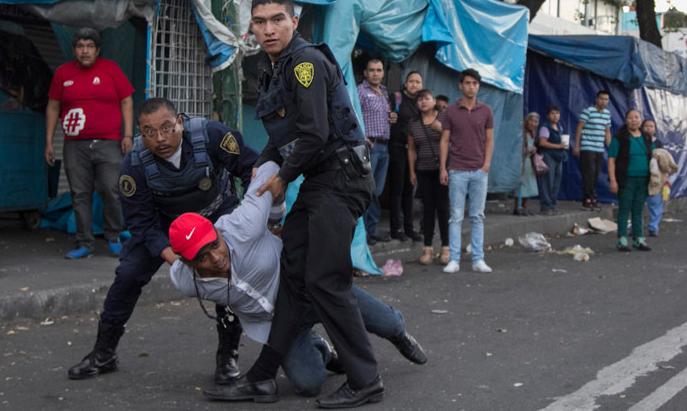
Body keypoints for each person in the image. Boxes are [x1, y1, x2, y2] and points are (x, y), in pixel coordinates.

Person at [207, 0, 382, 408]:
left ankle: (366, 379)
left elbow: (315, 134)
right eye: (260, 22)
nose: (268, 29)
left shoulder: (304, 62)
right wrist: (264, 163)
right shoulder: (273, 67)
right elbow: (282, 135)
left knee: (326, 280)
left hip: (340, 180)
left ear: (293, 22)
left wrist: (283, 176)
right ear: (251, 27)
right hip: (322, 178)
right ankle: (263, 376)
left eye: (277, 20)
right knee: (294, 272)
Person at [169, 162, 426, 400]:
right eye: (203, 257)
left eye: (215, 245)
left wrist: (277, 192)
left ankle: (400, 333)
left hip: (310, 288)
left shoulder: (242, 226)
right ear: (188, 262)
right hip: (279, 324)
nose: (216, 258)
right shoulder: (186, 280)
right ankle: (320, 348)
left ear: (218, 232)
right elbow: (171, 261)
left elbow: (269, 168)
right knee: (309, 383)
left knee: (386, 323)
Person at [66, 97, 258, 384]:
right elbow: (140, 222)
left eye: (167, 128)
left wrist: (249, 220)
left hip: (215, 217)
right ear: (140, 134)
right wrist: (175, 259)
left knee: (226, 276)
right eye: (149, 132)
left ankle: (227, 356)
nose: (160, 138)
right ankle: (103, 353)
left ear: (180, 122)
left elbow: (251, 168)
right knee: (128, 275)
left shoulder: (212, 135)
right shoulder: (133, 164)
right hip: (164, 226)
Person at [45, 27, 134, 259]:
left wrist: (127, 135)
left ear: (97, 50)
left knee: (110, 190)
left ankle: (113, 236)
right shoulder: (63, 73)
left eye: (90, 46)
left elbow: (126, 100)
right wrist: (49, 142)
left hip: (108, 143)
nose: (85, 51)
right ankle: (84, 243)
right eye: (80, 46)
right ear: (74, 50)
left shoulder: (111, 69)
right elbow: (53, 107)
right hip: (75, 144)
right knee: (80, 193)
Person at [439, 69, 494, 274]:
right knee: (455, 216)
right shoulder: (451, 112)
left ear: (479, 86)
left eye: (475, 83)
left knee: (478, 215)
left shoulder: (486, 110)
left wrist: (486, 165)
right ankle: (454, 259)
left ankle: (478, 259)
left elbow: (489, 139)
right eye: (468, 83)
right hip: (457, 170)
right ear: (460, 85)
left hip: (479, 170)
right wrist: (443, 168)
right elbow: (444, 141)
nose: (471, 87)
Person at [407, 89, 449, 265]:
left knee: (443, 209)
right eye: (420, 99)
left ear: (434, 101)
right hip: (423, 170)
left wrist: (441, 129)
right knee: (428, 209)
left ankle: (446, 248)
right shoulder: (413, 123)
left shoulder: (444, 118)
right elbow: (411, 148)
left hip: (442, 169)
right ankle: (427, 249)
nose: (423, 102)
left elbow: (454, 140)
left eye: (427, 99)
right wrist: (412, 172)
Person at [358, 57, 397, 245]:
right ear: (365, 73)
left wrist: (392, 118)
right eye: (372, 70)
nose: (375, 73)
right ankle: (364, 232)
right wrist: (362, 137)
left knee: (377, 190)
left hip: (384, 146)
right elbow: (352, 114)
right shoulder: (360, 91)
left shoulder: (384, 92)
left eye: (379, 70)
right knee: (367, 189)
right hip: (370, 146)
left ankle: (371, 230)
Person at [607, 109, 653, 252]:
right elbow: (611, 160)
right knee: (624, 209)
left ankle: (638, 239)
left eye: (637, 117)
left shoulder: (647, 137)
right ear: (626, 120)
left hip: (643, 180)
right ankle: (622, 239)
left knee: (638, 209)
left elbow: (654, 155)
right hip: (625, 180)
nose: (634, 120)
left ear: (641, 120)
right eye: (631, 118)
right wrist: (613, 180)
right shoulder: (619, 138)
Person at [388, 71, 424, 242]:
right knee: (397, 190)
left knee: (410, 190)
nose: (414, 84)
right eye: (411, 81)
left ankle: (409, 228)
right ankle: (396, 229)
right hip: (398, 149)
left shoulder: (422, 103)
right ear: (405, 83)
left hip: (415, 152)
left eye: (417, 82)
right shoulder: (395, 98)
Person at [573, 91, 612, 211]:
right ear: (596, 99)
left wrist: (610, 149)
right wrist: (576, 146)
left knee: (595, 174)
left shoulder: (607, 114)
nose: (603, 101)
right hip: (587, 147)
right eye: (601, 99)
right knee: (588, 174)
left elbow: (607, 132)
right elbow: (579, 128)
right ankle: (587, 200)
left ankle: (592, 199)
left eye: (606, 99)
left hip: (599, 149)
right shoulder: (588, 111)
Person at [537, 106, 569, 215]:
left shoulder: (559, 126)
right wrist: (558, 146)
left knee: (556, 181)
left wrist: (563, 146)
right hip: (548, 155)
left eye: (557, 113)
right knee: (547, 181)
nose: (555, 116)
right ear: (548, 116)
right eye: (552, 113)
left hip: (559, 156)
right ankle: (546, 206)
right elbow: (542, 142)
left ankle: (552, 204)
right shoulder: (545, 127)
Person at [641, 119, 664, 237]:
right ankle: (637, 226)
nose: (649, 128)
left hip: (655, 177)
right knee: (637, 202)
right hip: (640, 175)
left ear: (655, 129)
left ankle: (653, 226)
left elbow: (665, 161)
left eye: (651, 126)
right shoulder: (638, 141)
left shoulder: (659, 143)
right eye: (646, 126)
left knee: (655, 202)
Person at [514, 112, 540, 216]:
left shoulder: (533, 134)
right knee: (521, 185)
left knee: (529, 185)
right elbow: (515, 149)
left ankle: (524, 207)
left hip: (529, 162)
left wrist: (533, 150)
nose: (533, 123)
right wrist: (526, 150)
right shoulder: (521, 133)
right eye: (531, 120)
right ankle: (517, 207)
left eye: (535, 121)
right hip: (521, 162)